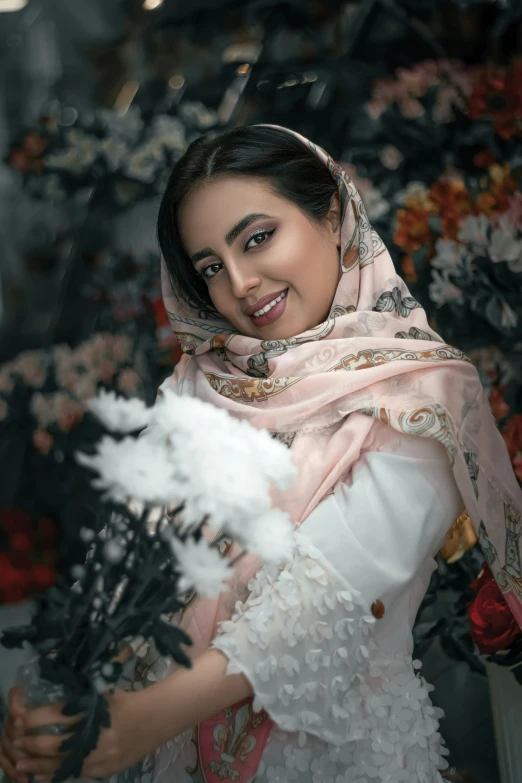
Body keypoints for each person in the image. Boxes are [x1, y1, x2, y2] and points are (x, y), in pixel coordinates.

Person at [1, 125, 521, 783]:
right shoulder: (198, 390)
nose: (241, 283)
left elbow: (328, 598)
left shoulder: (421, 393)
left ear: (331, 216)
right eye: (212, 267)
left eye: (257, 238)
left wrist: (139, 720)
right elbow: (123, 564)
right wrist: (53, 689)